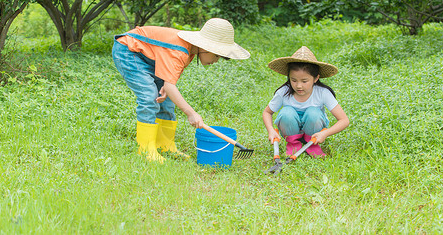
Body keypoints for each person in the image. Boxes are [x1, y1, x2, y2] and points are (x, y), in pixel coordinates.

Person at [112, 18, 250, 163]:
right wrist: (191, 113)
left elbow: (171, 79)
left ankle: (165, 145)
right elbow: (171, 82)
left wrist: (166, 85)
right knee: (149, 97)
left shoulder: (190, 50)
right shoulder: (179, 50)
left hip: (150, 56)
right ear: (206, 47)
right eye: (216, 55)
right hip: (129, 50)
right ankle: (145, 149)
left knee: (167, 100)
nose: (216, 60)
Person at [262, 46, 349, 157]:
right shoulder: (283, 92)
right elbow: (267, 112)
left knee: (314, 112)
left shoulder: (323, 93)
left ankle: (312, 145)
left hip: (314, 134)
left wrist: (325, 133)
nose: (298, 86)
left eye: (304, 81)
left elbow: (344, 120)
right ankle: (293, 143)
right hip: (290, 131)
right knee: (286, 112)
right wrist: (271, 130)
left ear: (316, 78)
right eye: (293, 80)